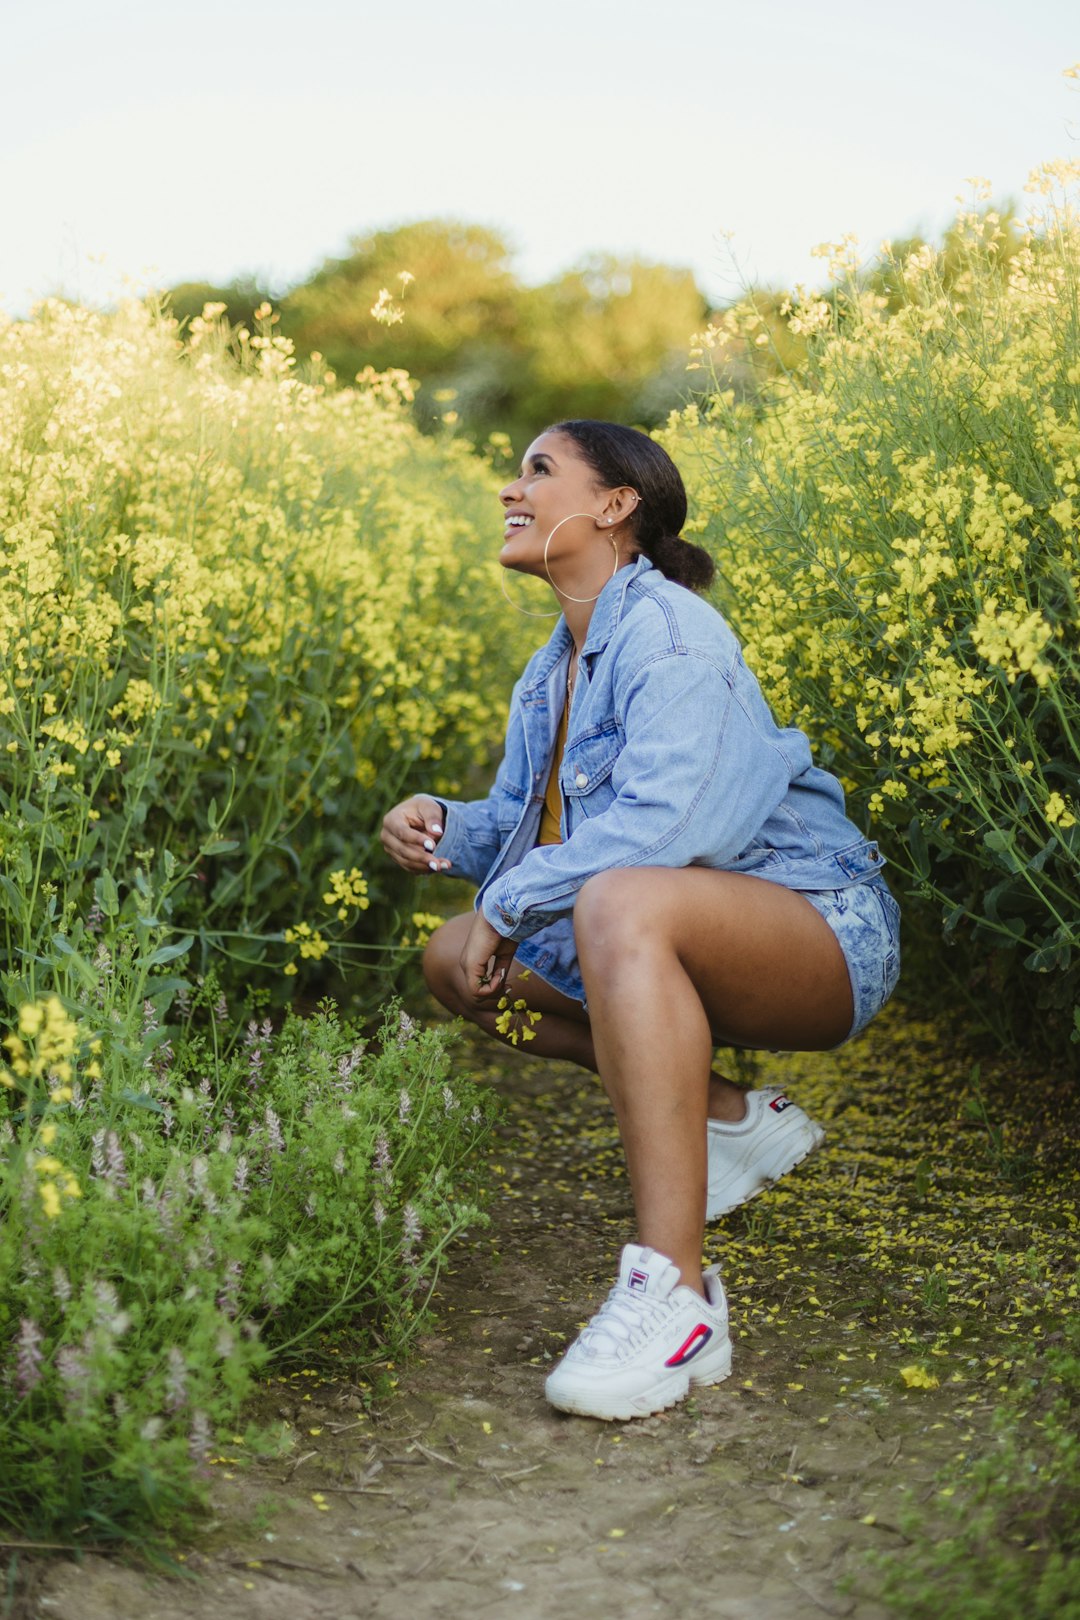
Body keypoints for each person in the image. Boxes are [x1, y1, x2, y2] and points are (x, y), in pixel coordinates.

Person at [381, 420, 900, 1423]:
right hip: (677, 925)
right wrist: (446, 829)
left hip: (819, 930)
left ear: (614, 506)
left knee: (616, 896)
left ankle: (674, 1293)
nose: (509, 487)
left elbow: (662, 828)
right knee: (454, 961)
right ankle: (722, 1117)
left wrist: (510, 900)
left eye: (538, 470)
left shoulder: (671, 636)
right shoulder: (552, 670)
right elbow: (542, 832)